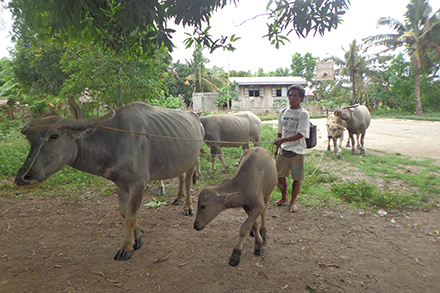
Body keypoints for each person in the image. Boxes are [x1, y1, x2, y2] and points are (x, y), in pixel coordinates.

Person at [272, 84, 310, 213]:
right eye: (289, 95)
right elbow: (280, 130)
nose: (291, 98)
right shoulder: (283, 112)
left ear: (301, 98)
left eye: (295, 96)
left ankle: (293, 202)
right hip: (283, 150)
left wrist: (282, 140)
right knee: (280, 176)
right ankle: (284, 197)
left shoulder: (303, 114)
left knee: (296, 178)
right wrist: (278, 146)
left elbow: (301, 134)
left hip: (297, 150)